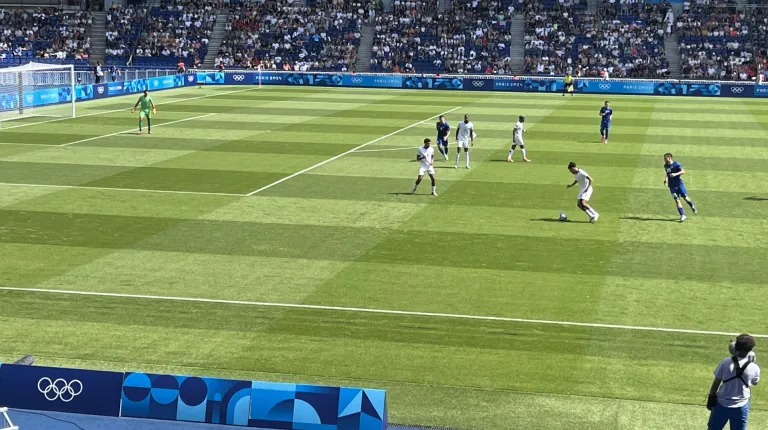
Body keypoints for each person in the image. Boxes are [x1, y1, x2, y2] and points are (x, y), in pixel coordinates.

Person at [707, 334, 760, 430]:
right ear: (751, 349)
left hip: (721, 404)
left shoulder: (725, 362)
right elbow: (754, 382)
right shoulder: (754, 367)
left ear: (736, 347)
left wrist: (711, 396)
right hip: (741, 405)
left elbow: (716, 383)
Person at [663, 153, 697, 222]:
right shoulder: (666, 165)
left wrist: (675, 174)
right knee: (677, 200)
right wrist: (666, 178)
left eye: (665, 158)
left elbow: (683, 171)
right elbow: (667, 173)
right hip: (672, 186)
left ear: (669, 158)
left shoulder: (676, 164)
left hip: (679, 185)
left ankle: (692, 205)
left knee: (685, 198)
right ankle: (683, 215)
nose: (664, 159)